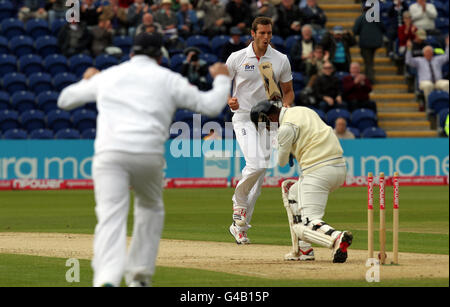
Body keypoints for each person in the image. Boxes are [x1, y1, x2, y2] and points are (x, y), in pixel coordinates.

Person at [57, 32, 231, 287]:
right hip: (148, 153)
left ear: (131, 54)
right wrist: (222, 80)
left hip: (110, 153)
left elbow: (64, 100)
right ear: (160, 57)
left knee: (110, 215)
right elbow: (211, 106)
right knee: (149, 208)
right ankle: (139, 277)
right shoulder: (169, 78)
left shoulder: (110, 76)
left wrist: (88, 80)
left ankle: (107, 278)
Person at [249, 100, 353, 263]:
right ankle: (304, 250)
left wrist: (284, 148)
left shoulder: (285, 128)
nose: (268, 130)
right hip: (339, 168)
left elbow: (281, 162)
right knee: (291, 190)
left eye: (266, 126)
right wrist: (291, 147)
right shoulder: (302, 110)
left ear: (268, 118)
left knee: (304, 224)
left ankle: (336, 238)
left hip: (318, 170)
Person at [225, 17, 294, 245]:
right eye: (262, 33)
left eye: (269, 33)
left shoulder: (280, 59)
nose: (266, 37)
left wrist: (286, 106)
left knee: (259, 177)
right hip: (244, 117)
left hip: (268, 120)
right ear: (252, 33)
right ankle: (238, 203)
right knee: (257, 165)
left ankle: (240, 226)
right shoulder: (237, 58)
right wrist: (229, 99)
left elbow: (288, 91)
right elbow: (223, 84)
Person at [405, 36, 449, 108]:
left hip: (438, 81)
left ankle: (446, 104)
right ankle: (430, 106)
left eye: (430, 52)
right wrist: (409, 49)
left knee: (447, 84)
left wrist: (448, 45)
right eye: (427, 52)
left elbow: (447, 56)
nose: (429, 54)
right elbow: (408, 61)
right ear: (424, 53)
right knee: (428, 85)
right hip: (425, 82)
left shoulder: (437, 59)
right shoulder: (419, 60)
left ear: (432, 53)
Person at [353, 2, 386, 84]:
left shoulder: (361, 17)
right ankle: (369, 77)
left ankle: (370, 79)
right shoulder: (376, 18)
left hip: (365, 43)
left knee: (368, 62)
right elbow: (383, 28)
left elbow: (355, 31)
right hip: (376, 43)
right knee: (369, 60)